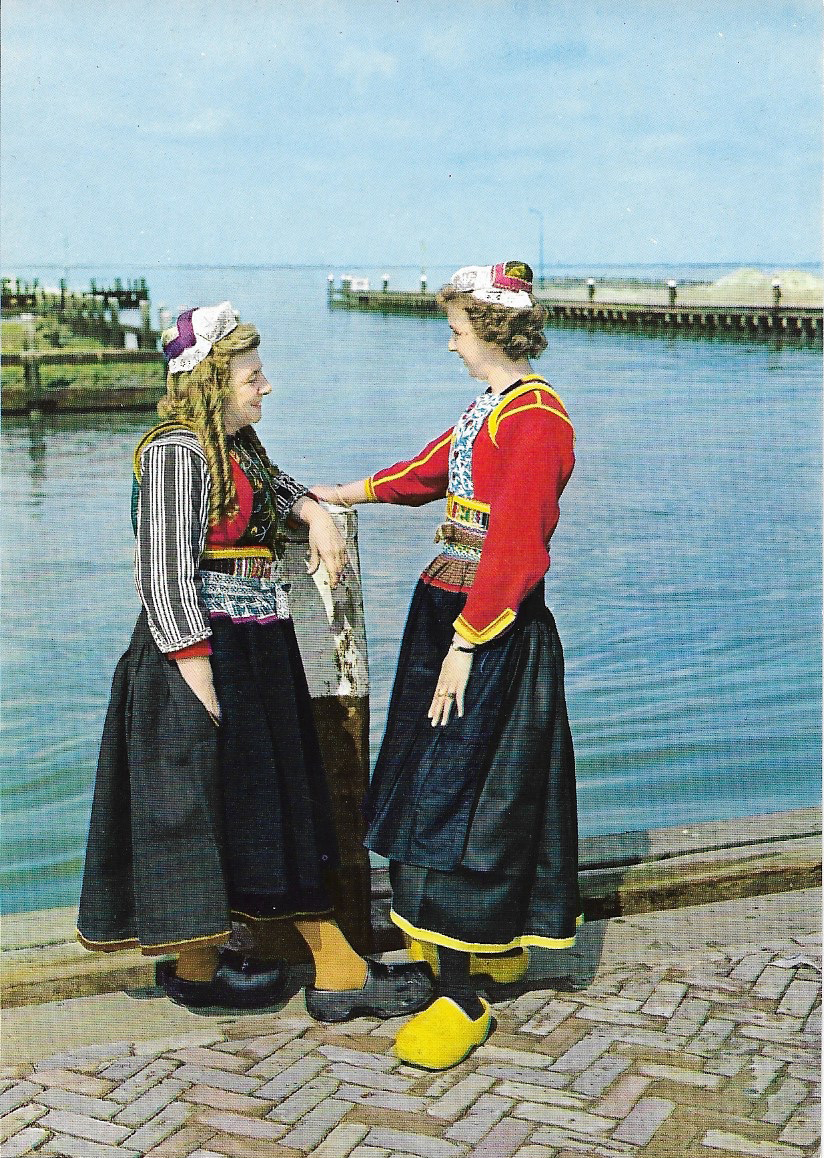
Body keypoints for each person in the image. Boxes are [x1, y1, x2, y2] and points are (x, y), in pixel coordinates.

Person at [77, 301, 432, 1021]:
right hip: (207, 650)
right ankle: (335, 971)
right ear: (214, 381)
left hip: (255, 645)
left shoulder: (233, 448)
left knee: (250, 805)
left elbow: (274, 489)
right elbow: (162, 571)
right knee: (258, 807)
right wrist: (194, 665)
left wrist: (317, 513)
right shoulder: (176, 451)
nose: (265, 387)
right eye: (253, 376)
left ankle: (198, 966)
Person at [314, 261, 582, 1068]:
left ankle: (462, 995)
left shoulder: (538, 420)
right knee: (437, 777)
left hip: (486, 628)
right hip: (448, 609)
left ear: (494, 333)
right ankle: (478, 947)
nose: (452, 345)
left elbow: (517, 547)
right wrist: (346, 492)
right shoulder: (491, 407)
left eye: (459, 331)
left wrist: (468, 644)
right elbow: (431, 471)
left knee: (460, 794)